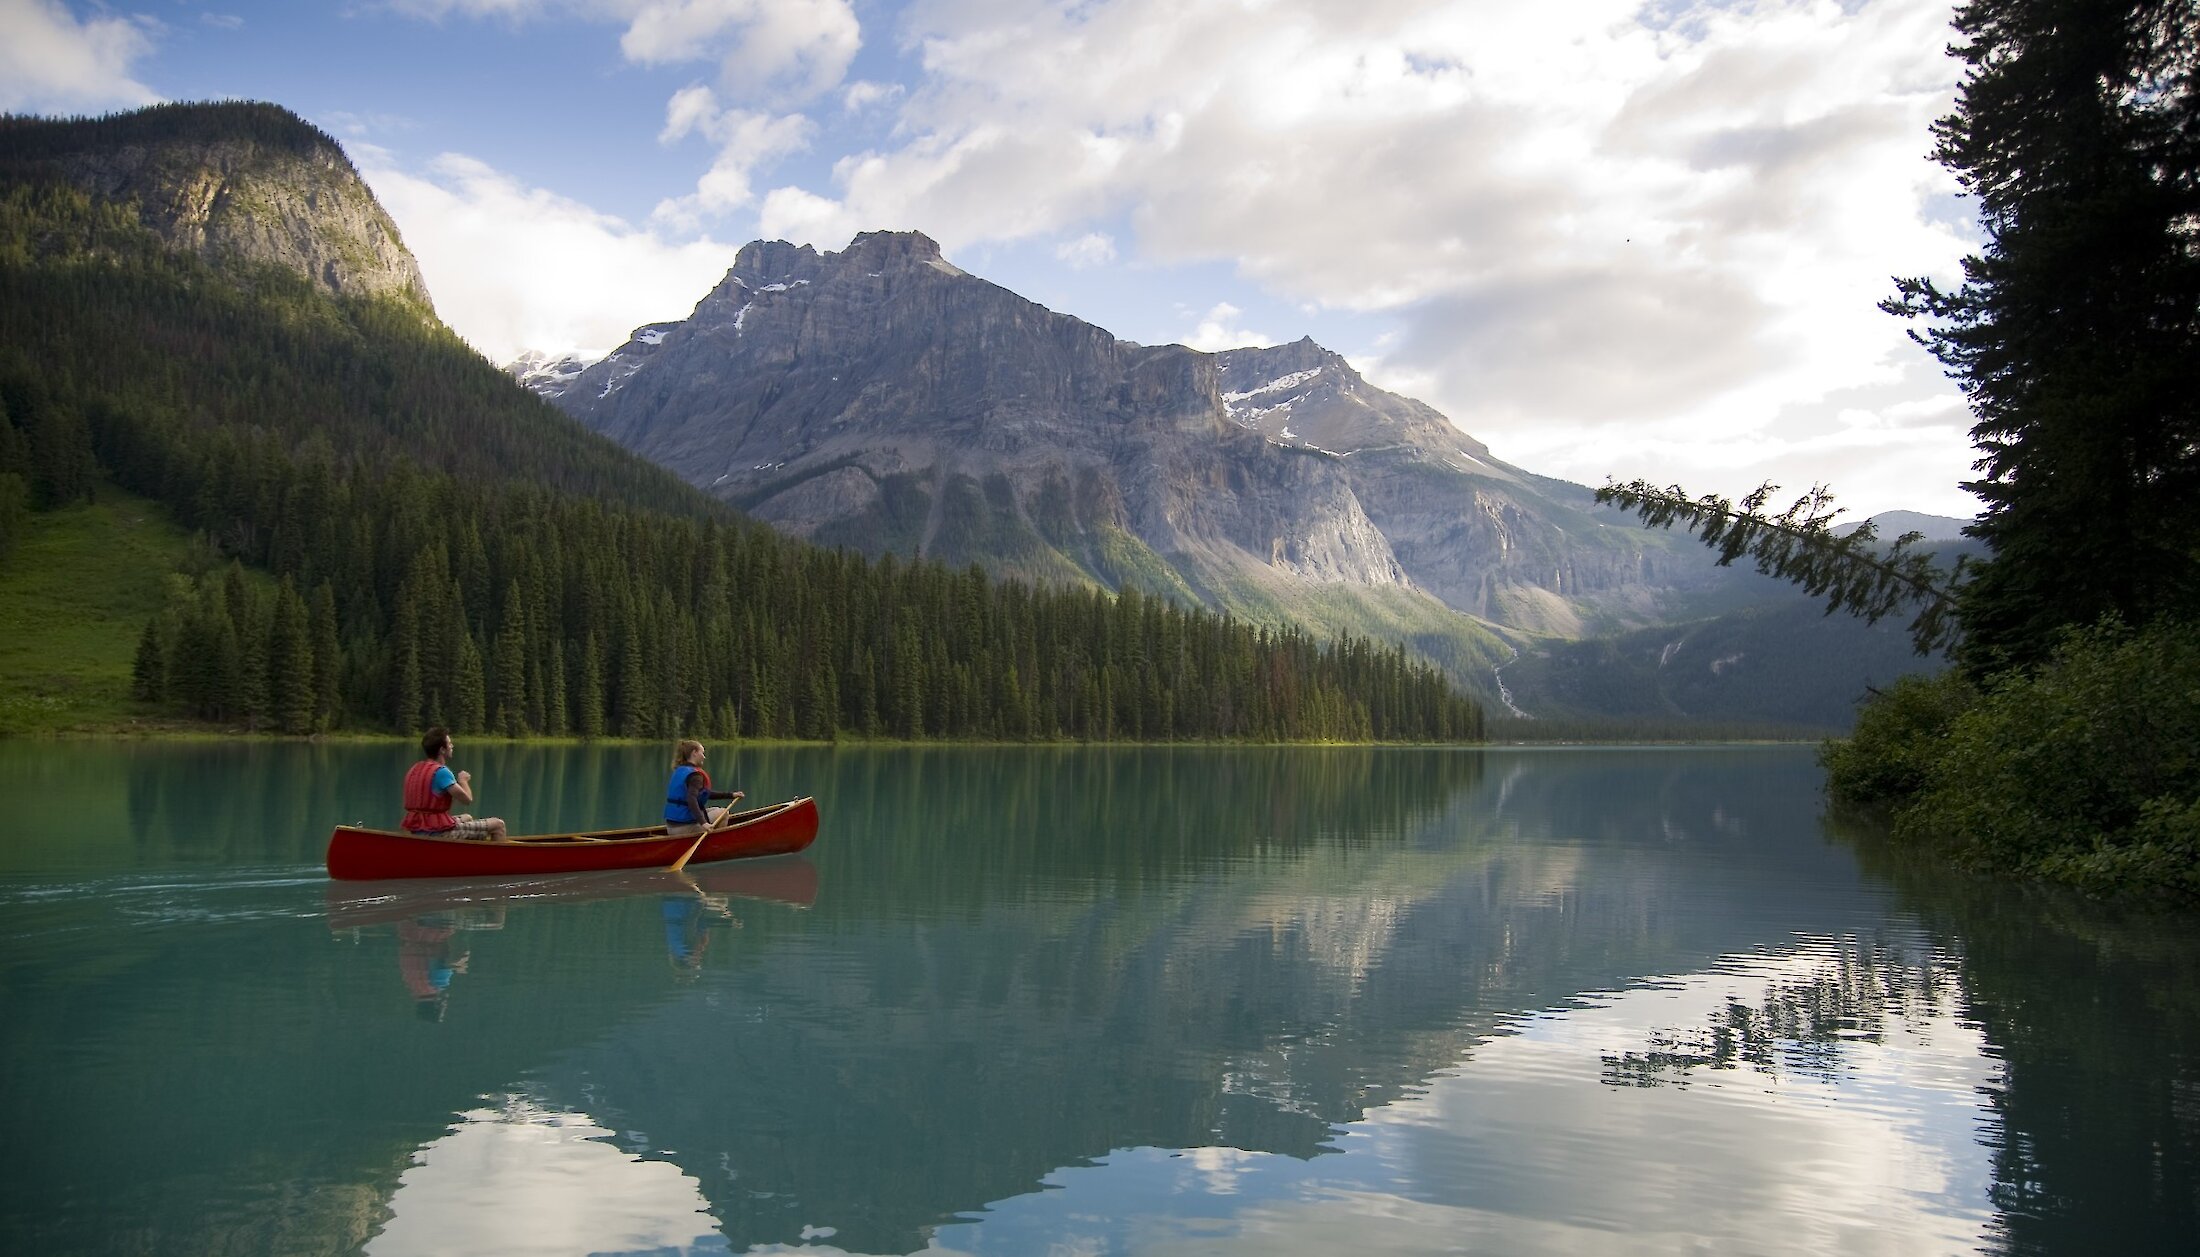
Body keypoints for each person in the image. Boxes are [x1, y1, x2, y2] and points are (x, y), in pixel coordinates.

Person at [401, 726, 509, 841]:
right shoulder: (441, 772)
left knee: (467, 817)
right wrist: (463, 781)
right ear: (442, 750)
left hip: (417, 828)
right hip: (437, 832)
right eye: (450, 743)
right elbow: (467, 800)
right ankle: (498, 857)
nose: (452, 746)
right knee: (498, 825)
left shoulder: (415, 768)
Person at [664, 739, 743, 837]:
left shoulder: (680, 770)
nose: (704, 757)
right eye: (702, 753)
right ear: (694, 753)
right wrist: (703, 823)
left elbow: (705, 793)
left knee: (716, 810)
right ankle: (714, 845)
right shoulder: (695, 775)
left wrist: (731, 795)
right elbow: (691, 799)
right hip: (683, 828)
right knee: (724, 813)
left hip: (671, 826)